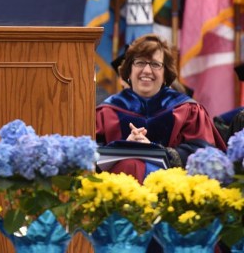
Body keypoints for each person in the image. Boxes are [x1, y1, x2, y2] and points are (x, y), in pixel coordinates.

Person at [96, 34, 226, 182]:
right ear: (129, 73)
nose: (146, 70)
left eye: (155, 64)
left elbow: (204, 154)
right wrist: (123, 146)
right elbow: (89, 155)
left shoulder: (188, 110)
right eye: (139, 63)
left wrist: (156, 151)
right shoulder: (107, 111)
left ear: (165, 75)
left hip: (172, 195)